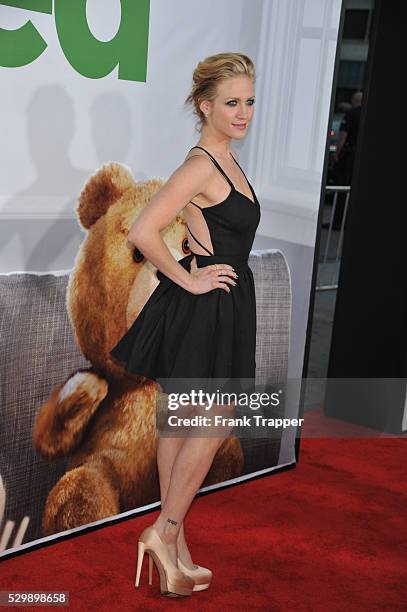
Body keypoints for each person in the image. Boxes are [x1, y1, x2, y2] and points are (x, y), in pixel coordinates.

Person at [109, 52, 260, 597]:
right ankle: (163, 529)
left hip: (222, 303)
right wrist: (191, 280)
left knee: (178, 423)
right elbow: (143, 230)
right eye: (231, 103)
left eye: (248, 101)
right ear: (205, 106)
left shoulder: (229, 160)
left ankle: (174, 551)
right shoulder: (201, 164)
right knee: (212, 420)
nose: (243, 112)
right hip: (203, 306)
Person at [328, 90, 363, 229]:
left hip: (347, 158)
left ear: (354, 101)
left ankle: (337, 223)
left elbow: (343, 135)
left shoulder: (351, 114)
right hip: (356, 158)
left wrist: (337, 153)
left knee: (340, 190)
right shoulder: (364, 113)